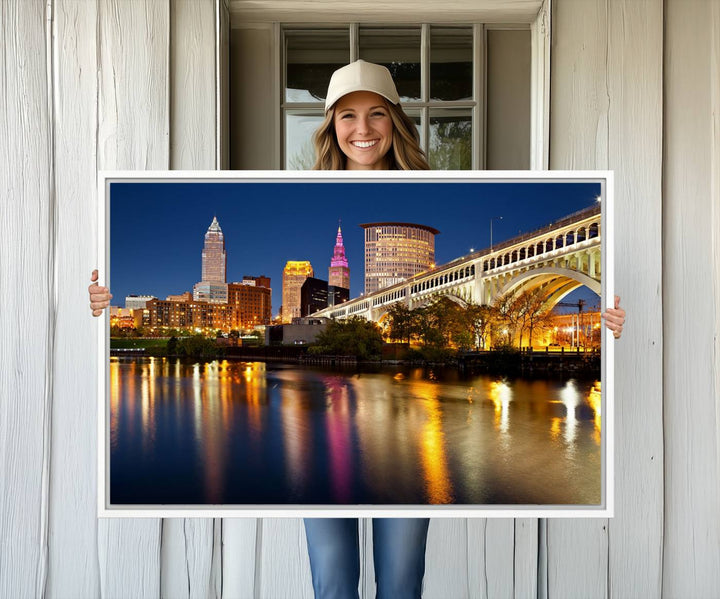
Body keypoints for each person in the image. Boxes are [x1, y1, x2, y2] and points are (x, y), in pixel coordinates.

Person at [88, 59, 626, 599]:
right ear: (330, 127)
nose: (362, 129)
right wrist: (104, 306)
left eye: (376, 115)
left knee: (401, 581)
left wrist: (612, 323)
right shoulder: (304, 189)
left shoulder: (438, 181)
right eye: (347, 116)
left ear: (396, 121)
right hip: (348, 463)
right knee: (333, 580)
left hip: (405, 468)